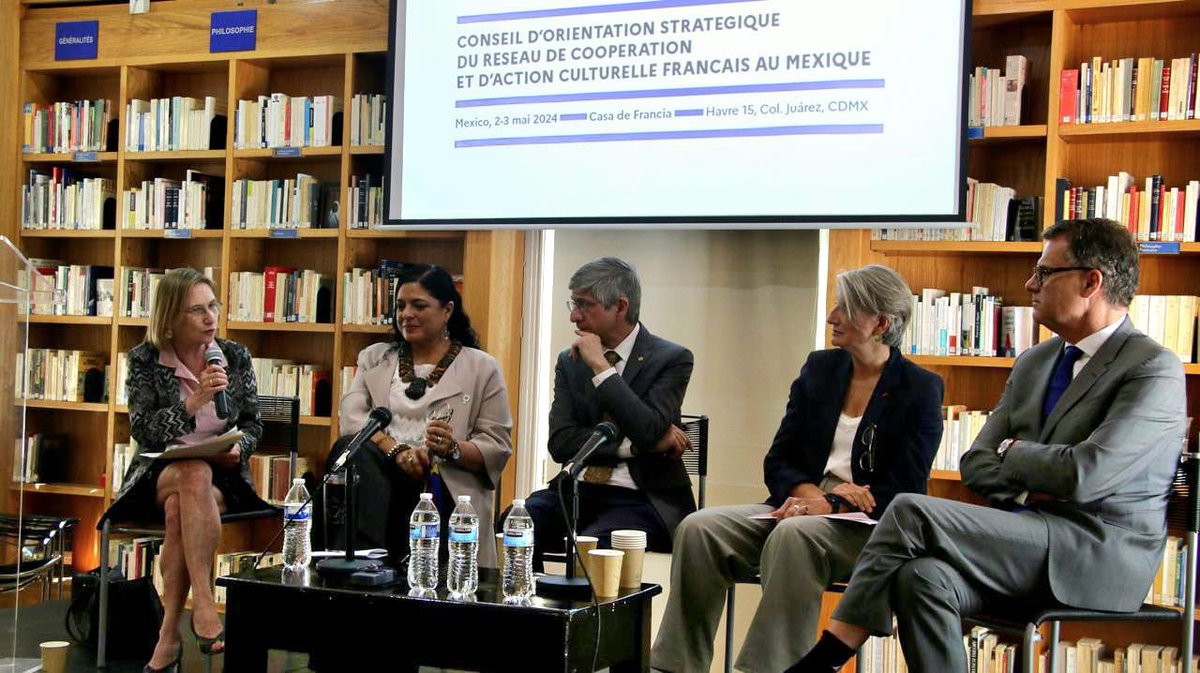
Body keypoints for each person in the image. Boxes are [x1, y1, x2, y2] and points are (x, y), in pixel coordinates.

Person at [787, 218, 1188, 673]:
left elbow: (1086, 473)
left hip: (1094, 554)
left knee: (911, 510)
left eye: (1045, 273)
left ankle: (827, 656)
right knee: (922, 577)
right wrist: (1029, 483)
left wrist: (1014, 454)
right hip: (1018, 539)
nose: (1030, 283)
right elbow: (975, 462)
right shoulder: (1036, 361)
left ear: (1091, 281)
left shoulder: (1153, 369)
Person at [650, 264, 944, 673]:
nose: (832, 316)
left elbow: (905, 491)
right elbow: (779, 459)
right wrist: (810, 497)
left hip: (868, 527)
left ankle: (768, 669)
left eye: (847, 307)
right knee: (699, 528)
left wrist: (833, 506)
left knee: (793, 535)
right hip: (801, 503)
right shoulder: (820, 369)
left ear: (881, 322)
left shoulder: (921, 389)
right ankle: (675, 666)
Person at [102, 268, 267, 673]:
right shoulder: (144, 360)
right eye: (197, 311)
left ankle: (168, 635)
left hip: (222, 475)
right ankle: (206, 608)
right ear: (172, 317)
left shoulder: (235, 355)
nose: (210, 318)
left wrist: (239, 447)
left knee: (182, 508)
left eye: (213, 306)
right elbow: (142, 430)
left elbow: (253, 424)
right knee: (191, 474)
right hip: (159, 473)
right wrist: (191, 405)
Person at [332, 264, 512, 566]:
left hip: (441, 485)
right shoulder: (375, 358)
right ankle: (360, 566)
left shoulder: (482, 368)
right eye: (401, 306)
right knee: (349, 452)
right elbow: (351, 418)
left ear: (447, 310)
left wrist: (452, 448)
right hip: (379, 477)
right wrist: (396, 450)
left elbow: (497, 446)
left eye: (419, 305)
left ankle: (370, 566)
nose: (406, 314)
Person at [522, 256, 695, 569]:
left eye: (585, 305)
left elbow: (650, 427)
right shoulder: (569, 361)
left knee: (594, 549)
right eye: (572, 303)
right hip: (578, 489)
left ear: (620, 307)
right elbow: (560, 443)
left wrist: (602, 368)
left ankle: (586, 619)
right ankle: (530, 612)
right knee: (519, 524)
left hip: (642, 497)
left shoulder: (672, 358)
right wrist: (638, 445)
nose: (574, 316)